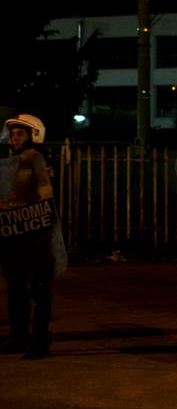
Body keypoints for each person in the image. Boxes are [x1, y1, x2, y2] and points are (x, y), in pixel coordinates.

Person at [0, 114, 61, 359]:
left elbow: (45, 195)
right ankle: (19, 336)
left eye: (20, 134)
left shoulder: (35, 159)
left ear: (33, 135)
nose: (15, 138)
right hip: (15, 231)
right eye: (13, 134)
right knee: (16, 286)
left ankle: (39, 340)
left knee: (38, 287)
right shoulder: (12, 162)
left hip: (35, 232)